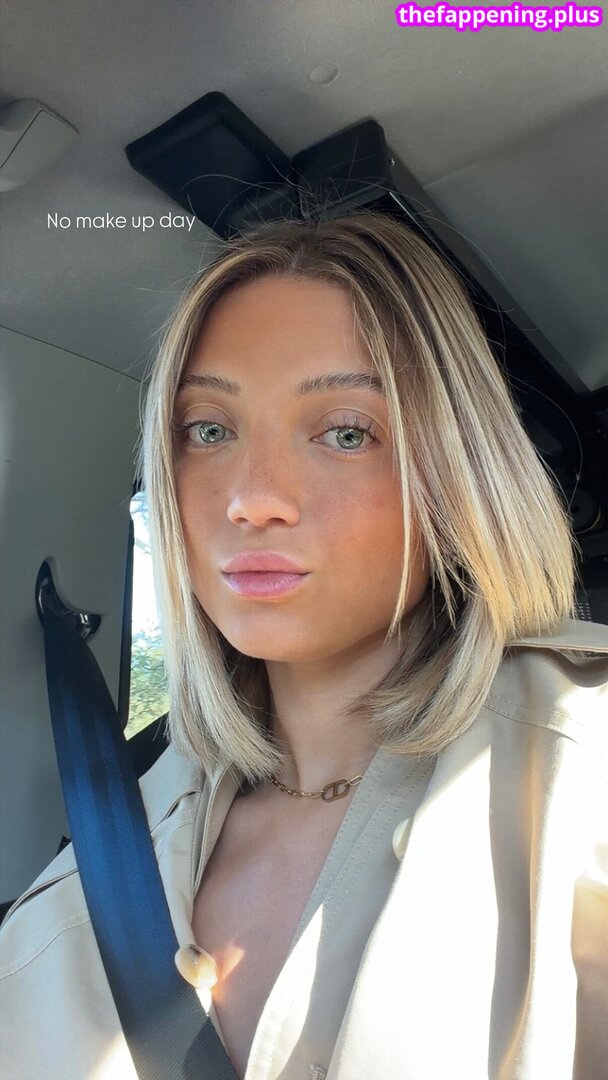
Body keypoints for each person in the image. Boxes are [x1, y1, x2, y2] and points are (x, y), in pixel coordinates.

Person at [1, 210, 607, 1080]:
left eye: (346, 431)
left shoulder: (583, 769)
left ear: (455, 476)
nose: (251, 498)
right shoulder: (125, 829)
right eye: (209, 429)